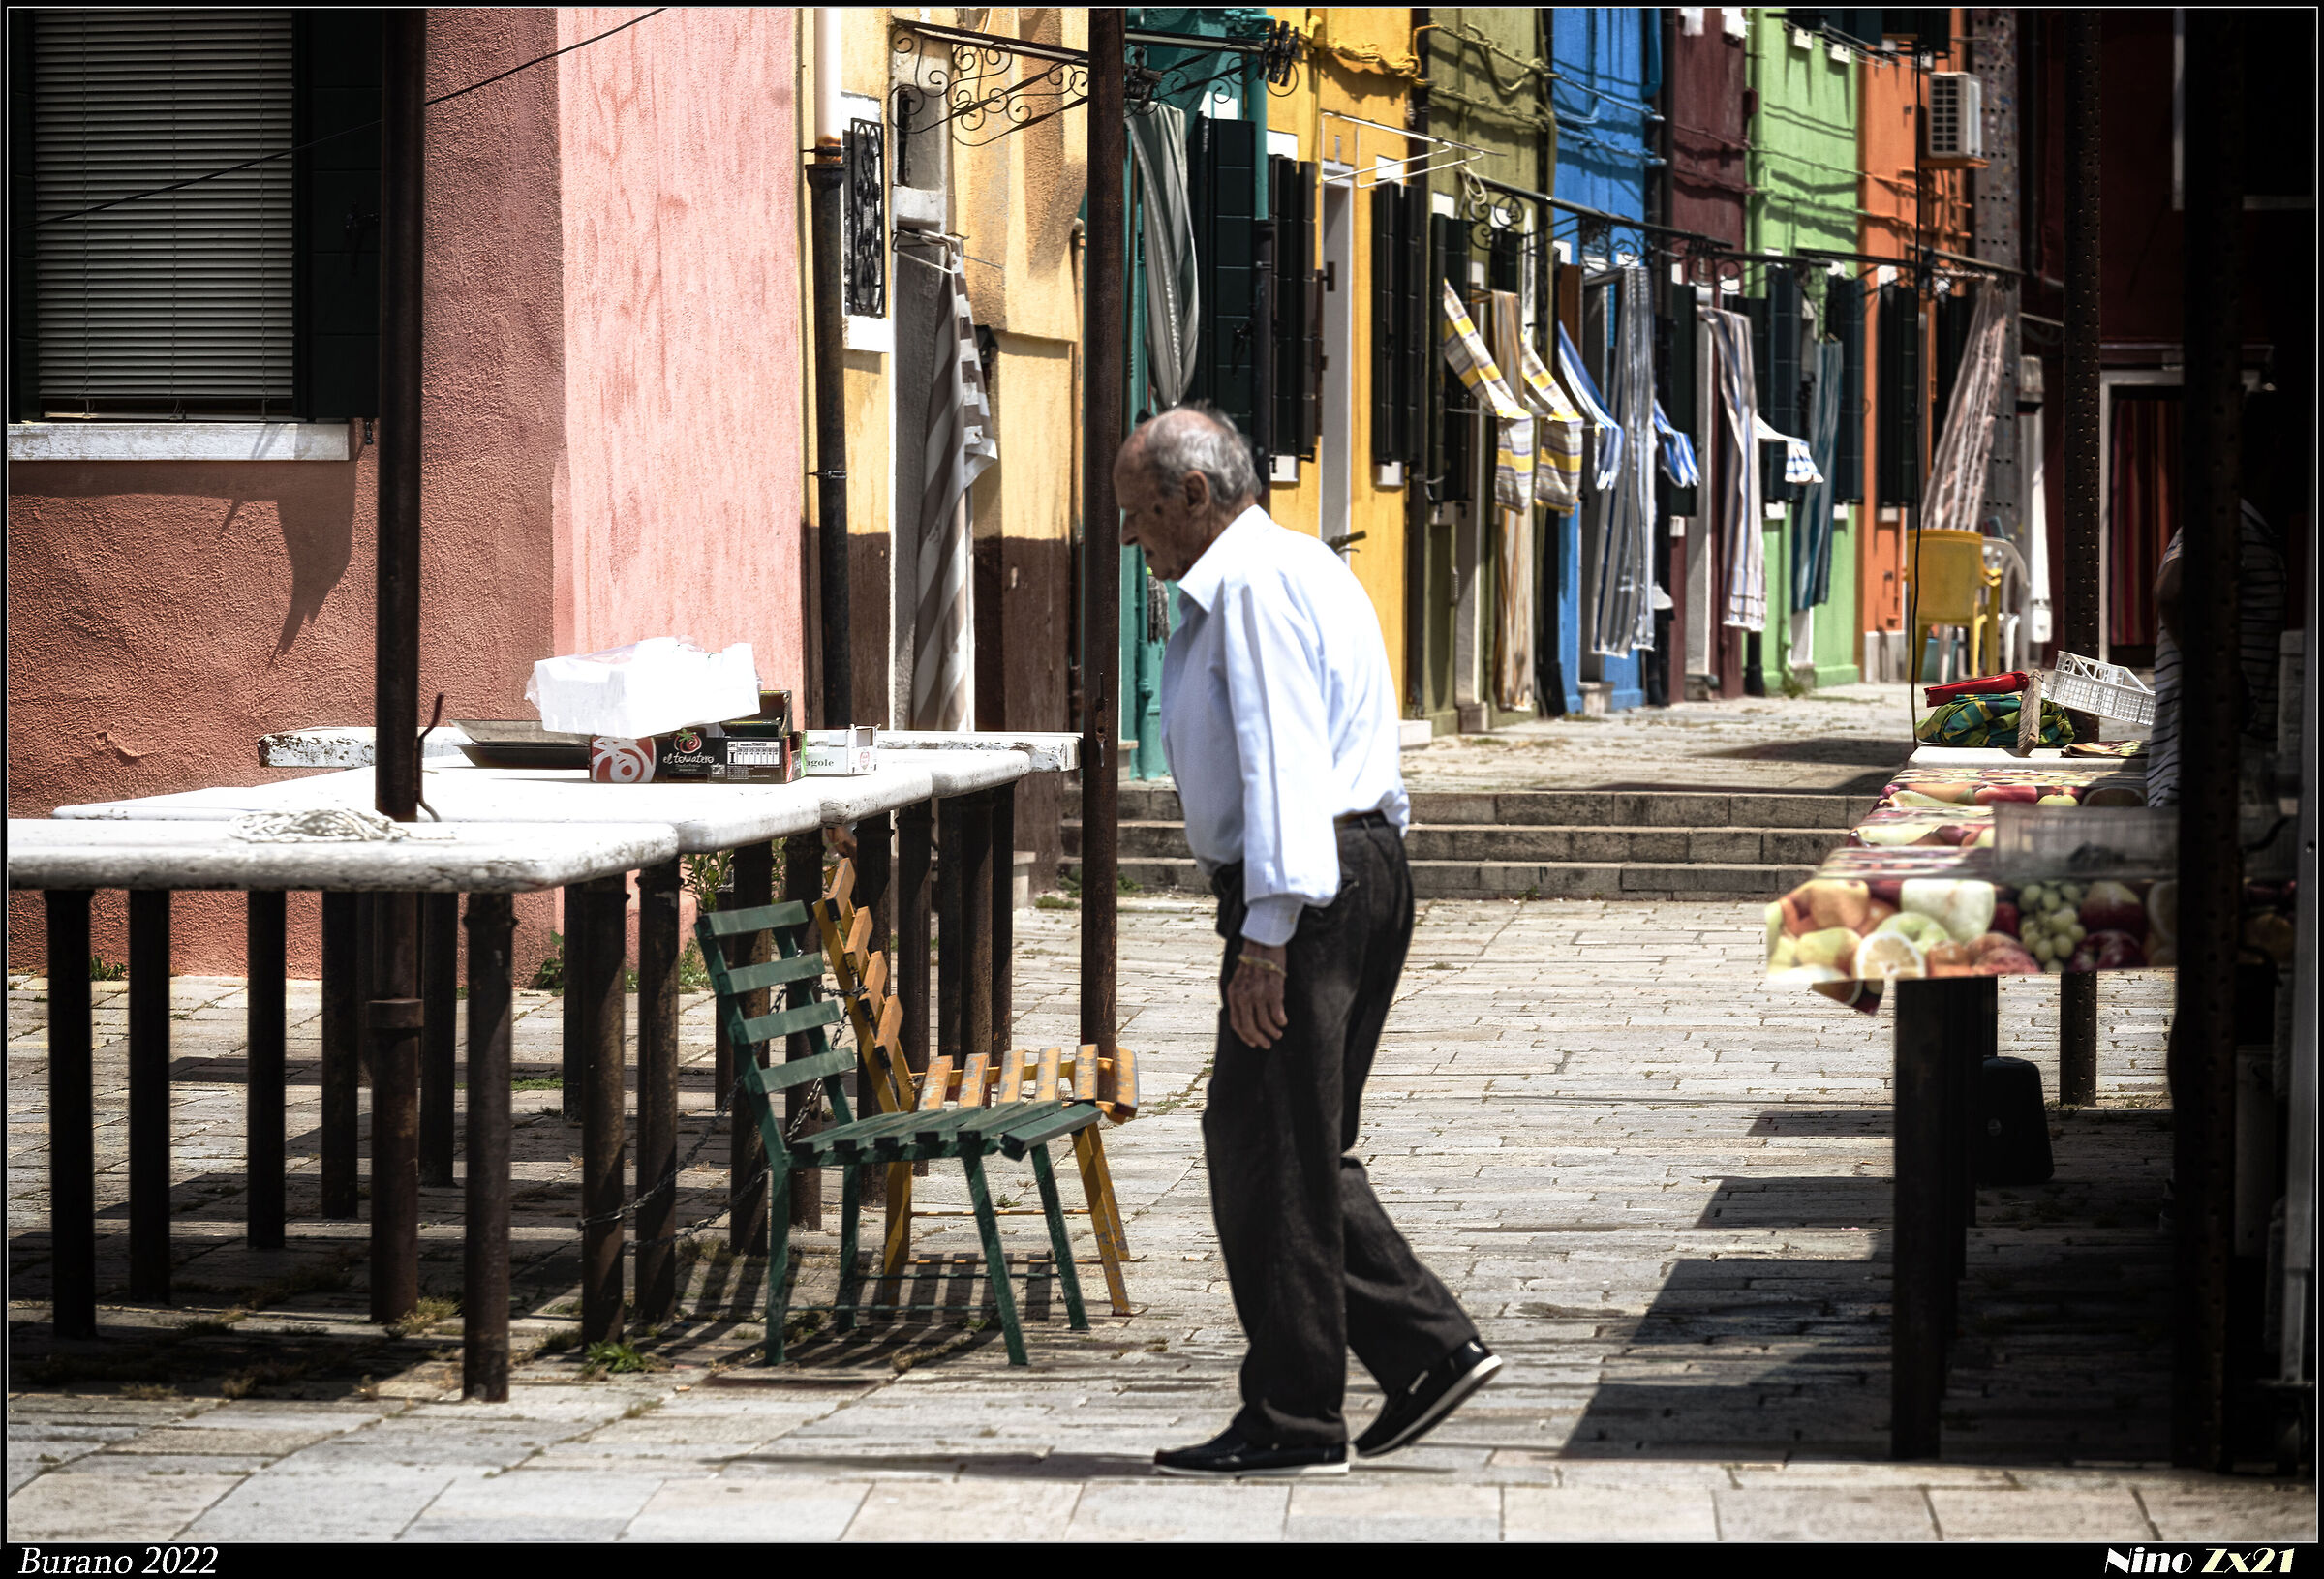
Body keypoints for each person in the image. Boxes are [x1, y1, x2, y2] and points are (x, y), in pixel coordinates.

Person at [1116, 403, 1499, 1480]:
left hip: (1307, 880)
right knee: (1291, 1135)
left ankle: (1294, 1414)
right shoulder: (1293, 565)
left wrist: (1268, 931)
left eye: (1141, 516)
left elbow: (1283, 751)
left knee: (1268, 1150)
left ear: (1195, 494)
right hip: (1352, 867)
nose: (1135, 540)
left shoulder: (1251, 582)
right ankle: (1426, 1349)